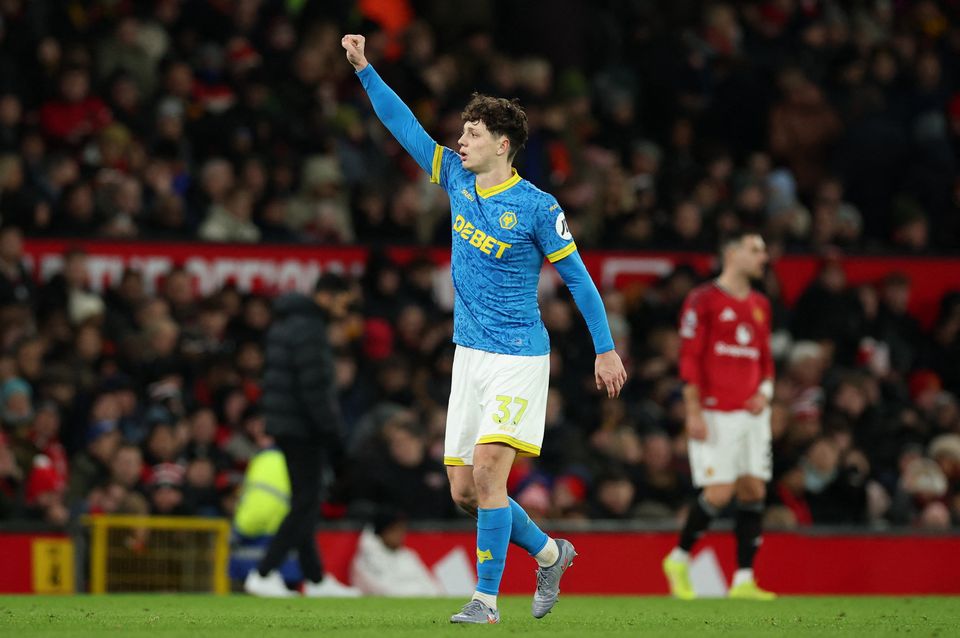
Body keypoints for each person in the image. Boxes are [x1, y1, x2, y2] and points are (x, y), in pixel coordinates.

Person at [342, 34, 627, 624]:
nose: (460, 141)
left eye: (471, 134)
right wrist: (366, 70)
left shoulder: (537, 207)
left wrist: (604, 349)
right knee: (465, 492)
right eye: (461, 133)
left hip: (518, 356)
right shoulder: (456, 179)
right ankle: (550, 553)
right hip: (468, 357)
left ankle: (485, 599)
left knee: (493, 473)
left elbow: (577, 279)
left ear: (502, 145)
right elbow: (407, 130)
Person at [662, 230, 777, 600]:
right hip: (715, 412)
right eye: (755, 249)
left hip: (752, 413)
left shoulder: (761, 303)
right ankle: (678, 558)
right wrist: (693, 410)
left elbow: (766, 359)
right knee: (720, 491)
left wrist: (764, 393)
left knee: (753, 488)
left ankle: (743, 580)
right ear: (731, 253)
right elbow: (689, 357)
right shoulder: (703, 300)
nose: (763, 257)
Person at [242, 273, 360, 598]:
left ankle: (316, 579)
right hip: (303, 428)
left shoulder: (289, 323)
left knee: (304, 501)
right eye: (343, 300)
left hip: (288, 424)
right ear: (325, 295)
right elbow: (315, 391)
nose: (345, 308)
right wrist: (334, 435)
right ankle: (264, 572)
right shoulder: (309, 329)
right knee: (306, 501)